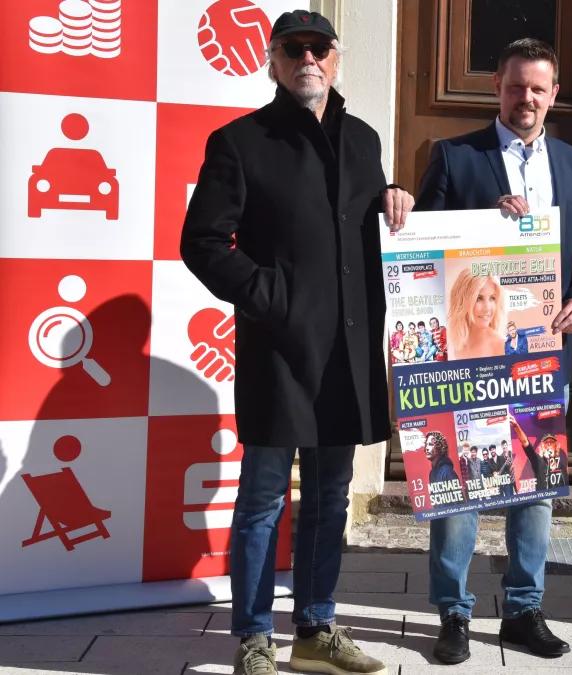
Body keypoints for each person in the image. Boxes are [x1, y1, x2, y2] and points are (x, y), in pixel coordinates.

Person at [179, 10, 414, 675]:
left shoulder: (365, 141)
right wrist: (269, 297)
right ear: (273, 60)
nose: (308, 57)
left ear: (335, 59)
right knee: (262, 500)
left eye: (320, 47)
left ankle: (316, 628)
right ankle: (254, 636)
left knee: (331, 498)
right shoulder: (240, 140)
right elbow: (200, 243)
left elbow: (368, 225)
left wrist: (395, 196)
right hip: (279, 352)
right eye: (293, 48)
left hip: (346, 354)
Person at [412, 38, 572, 664]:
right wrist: (481, 226)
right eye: (516, 86)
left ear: (554, 94)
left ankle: (524, 610)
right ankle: (454, 614)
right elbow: (422, 250)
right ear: (497, 86)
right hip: (468, 357)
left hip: (546, 356)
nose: (527, 98)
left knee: (535, 490)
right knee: (460, 489)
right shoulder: (454, 157)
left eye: (538, 88)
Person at [446, 270, 505, 360]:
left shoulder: (502, 346)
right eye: (479, 298)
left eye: (492, 298)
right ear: (462, 301)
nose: (487, 308)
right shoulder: (450, 344)